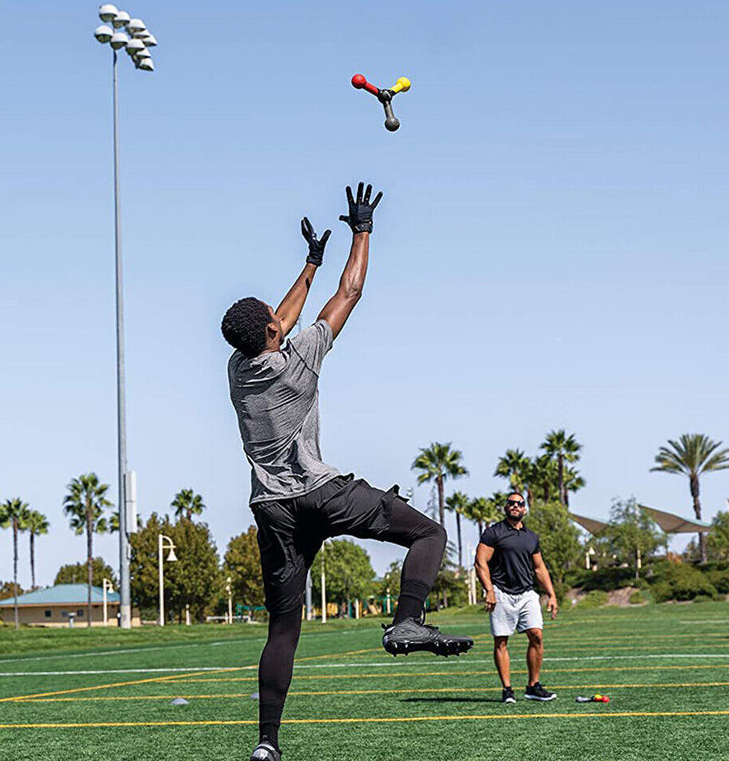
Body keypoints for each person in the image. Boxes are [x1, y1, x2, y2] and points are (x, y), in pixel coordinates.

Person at [221, 183, 474, 761]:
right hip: (320, 492)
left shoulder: (237, 369)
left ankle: (266, 744)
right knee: (428, 533)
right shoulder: (300, 358)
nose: (280, 319)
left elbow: (278, 319)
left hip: (272, 509)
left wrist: (311, 261)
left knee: (282, 629)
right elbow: (351, 291)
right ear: (272, 334)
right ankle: (407, 621)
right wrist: (363, 230)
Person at [474, 493, 559, 704]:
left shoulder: (531, 537)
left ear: (524, 509)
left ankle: (533, 686)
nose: (515, 506)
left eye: (519, 504)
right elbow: (480, 562)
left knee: (537, 635)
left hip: (527, 593)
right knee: (501, 641)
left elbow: (539, 568)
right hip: (501, 592)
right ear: (506, 507)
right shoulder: (494, 533)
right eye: (511, 503)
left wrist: (551, 594)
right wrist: (489, 590)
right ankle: (507, 689)